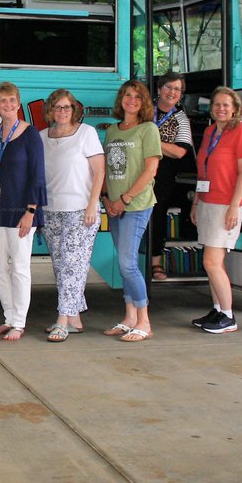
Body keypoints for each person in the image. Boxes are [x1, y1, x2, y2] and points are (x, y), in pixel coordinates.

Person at [0, 82, 46, 342]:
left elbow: (37, 175)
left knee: (20, 267)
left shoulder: (30, 134)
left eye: (12, 100)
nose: (7, 105)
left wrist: (31, 210)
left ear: (18, 104)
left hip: (21, 211)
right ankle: (8, 316)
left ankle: (19, 322)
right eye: (2, 101)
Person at [39, 89, 104, 342]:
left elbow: (99, 171)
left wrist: (92, 205)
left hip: (80, 210)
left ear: (74, 109)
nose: (62, 112)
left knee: (71, 265)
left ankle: (62, 320)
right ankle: (75, 317)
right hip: (51, 210)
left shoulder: (86, 133)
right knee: (61, 266)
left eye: (67, 107)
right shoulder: (43, 136)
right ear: (50, 111)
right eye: (58, 107)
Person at [190, 87, 242, 334]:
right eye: (216, 104)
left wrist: (234, 207)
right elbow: (203, 170)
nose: (220, 108)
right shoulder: (209, 131)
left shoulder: (241, 132)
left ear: (235, 108)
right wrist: (196, 202)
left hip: (226, 204)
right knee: (214, 263)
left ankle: (228, 316)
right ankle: (217, 309)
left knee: (211, 262)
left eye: (226, 105)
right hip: (207, 201)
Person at [101, 80, 161, 342]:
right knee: (124, 264)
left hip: (136, 204)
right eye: (127, 95)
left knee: (128, 263)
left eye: (138, 96)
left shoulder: (148, 129)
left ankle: (144, 321)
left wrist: (124, 199)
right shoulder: (113, 130)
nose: (132, 100)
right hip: (114, 205)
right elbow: (105, 168)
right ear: (121, 99)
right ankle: (129, 318)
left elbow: (150, 170)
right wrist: (106, 198)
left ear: (144, 101)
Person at [149, 73, 194, 281]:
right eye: (168, 87)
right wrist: (164, 146)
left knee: (157, 215)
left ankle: (155, 263)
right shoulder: (145, 110)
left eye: (177, 89)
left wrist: (148, 141)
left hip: (162, 175)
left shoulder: (180, 117)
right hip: (137, 171)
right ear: (159, 89)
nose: (172, 92)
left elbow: (180, 152)